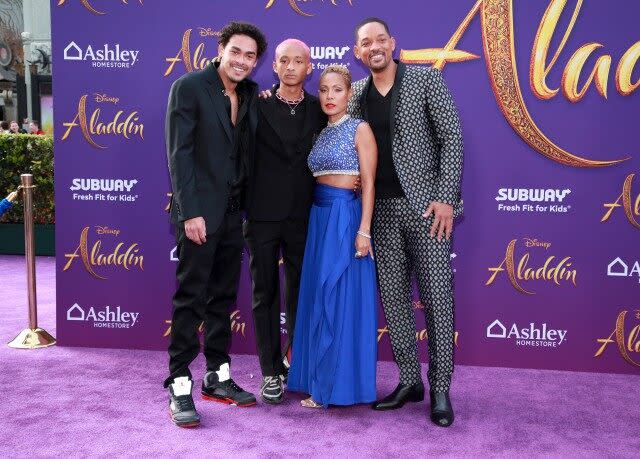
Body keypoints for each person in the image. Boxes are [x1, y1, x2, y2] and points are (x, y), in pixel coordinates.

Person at [349, 17, 463, 427]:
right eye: (366, 42)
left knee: (437, 300)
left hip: (427, 212)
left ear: (393, 43)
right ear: (358, 52)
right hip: (380, 213)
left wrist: (446, 197)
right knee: (394, 300)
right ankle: (409, 381)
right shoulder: (356, 94)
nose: (375, 46)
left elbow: (452, 136)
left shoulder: (425, 81)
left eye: (381, 39)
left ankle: (441, 389)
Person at [164, 21, 267, 428]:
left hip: (232, 213)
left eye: (250, 56)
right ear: (220, 49)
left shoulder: (250, 93)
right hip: (199, 213)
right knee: (191, 297)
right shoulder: (189, 88)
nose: (242, 61)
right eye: (236, 52)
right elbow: (180, 155)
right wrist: (190, 212)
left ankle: (217, 375)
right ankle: (178, 381)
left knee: (222, 298)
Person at [287, 65, 379, 408]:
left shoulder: (360, 128)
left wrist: (364, 230)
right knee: (318, 297)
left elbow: (368, 183)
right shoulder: (319, 133)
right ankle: (317, 380)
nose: (329, 96)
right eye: (324, 90)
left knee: (338, 298)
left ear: (349, 93)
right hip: (319, 217)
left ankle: (335, 387)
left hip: (346, 216)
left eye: (337, 90)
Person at [244, 39, 326, 404]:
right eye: (283, 61)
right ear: (273, 66)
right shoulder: (255, 105)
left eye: (298, 61)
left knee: (299, 292)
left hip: (304, 214)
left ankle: (297, 363)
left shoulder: (320, 108)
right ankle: (270, 371)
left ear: (310, 68)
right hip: (261, 214)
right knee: (265, 292)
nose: (291, 67)